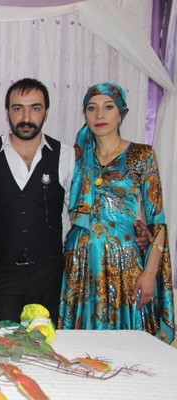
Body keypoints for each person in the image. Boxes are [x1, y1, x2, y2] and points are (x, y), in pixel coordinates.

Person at [58, 82, 174, 343]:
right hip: (80, 262)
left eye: (108, 107)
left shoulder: (142, 155)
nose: (100, 115)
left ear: (121, 113)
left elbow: (157, 221)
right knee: (81, 349)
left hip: (125, 263)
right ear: (85, 114)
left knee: (129, 346)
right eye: (92, 108)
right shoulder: (72, 158)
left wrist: (149, 274)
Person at [0, 78, 75, 323]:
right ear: (7, 112)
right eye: (18, 108)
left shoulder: (66, 155)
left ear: (46, 112)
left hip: (50, 274)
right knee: (1, 341)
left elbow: (75, 214)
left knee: (50, 341)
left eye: (35, 108)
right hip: (1, 273)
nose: (26, 117)